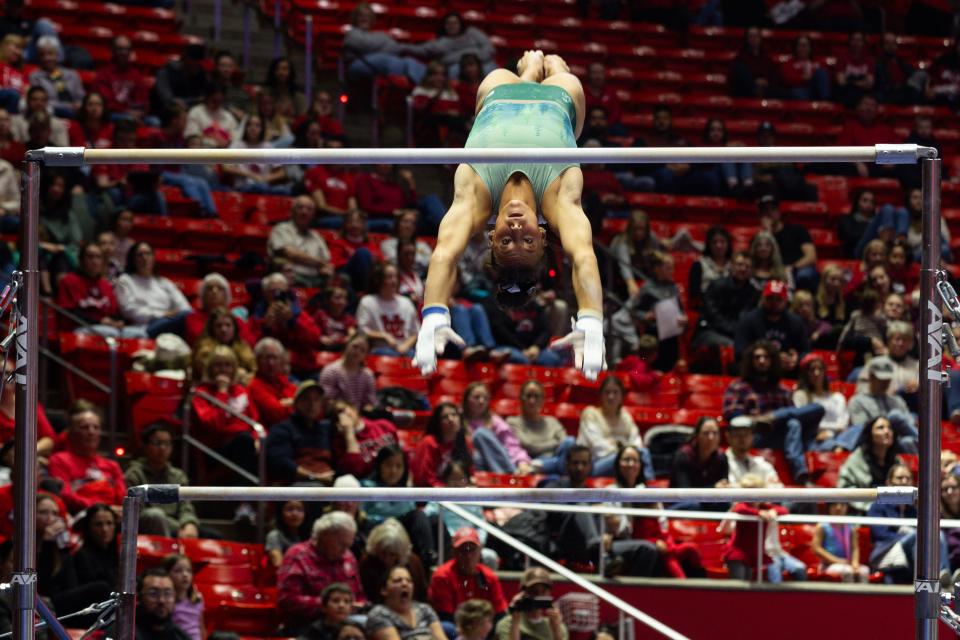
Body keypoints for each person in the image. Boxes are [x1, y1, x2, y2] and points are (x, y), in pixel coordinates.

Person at [413, 51, 604, 381]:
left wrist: (433, 312)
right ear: (544, 236)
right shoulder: (559, 198)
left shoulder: (474, 196)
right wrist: (591, 317)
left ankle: (529, 71)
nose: (516, 226)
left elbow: (444, 253)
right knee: (562, 73)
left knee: (510, 74)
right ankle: (548, 69)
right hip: (558, 100)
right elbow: (583, 255)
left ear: (490, 235)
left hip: (497, 96)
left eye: (505, 238)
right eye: (527, 238)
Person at [545, 446, 659, 577]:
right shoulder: (553, 488)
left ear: (591, 466)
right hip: (567, 543)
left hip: (602, 545)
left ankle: (630, 593)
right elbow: (551, 517)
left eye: (584, 463)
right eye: (575, 463)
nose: (579, 468)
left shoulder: (594, 493)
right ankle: (599, 551)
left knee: (647, 549)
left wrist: (608, 531)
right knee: (581, 506)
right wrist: (588, 509)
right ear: (566, 464)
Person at [721, 340, 824, 483]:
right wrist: (756, 421)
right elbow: (732, 416)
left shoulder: (781, 390)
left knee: (814, 410)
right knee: (792, 423)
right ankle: (801, 474)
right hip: (753, 435)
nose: (761, 361)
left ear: (773, 361)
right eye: (757, 357)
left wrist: (773, 418)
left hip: (780, 435)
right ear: (750, 361)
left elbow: (793, 414)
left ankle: (772, 416)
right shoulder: (739, 387)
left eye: (766, 357)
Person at [278, 511, 364, 634]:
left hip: (348, 622)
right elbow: (287, 600)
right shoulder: (297, 555)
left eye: (348, 545)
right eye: (341, 544)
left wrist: (358, 606)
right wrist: (327, 605)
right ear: (324, 535)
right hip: (308, 625)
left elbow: (359, 595)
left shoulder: (348, 557)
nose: (345, 550)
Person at [867, 464, 949, 583]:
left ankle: (942, 574)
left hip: (911, 550)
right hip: (888, 549)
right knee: (920, 535)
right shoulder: (878, 506)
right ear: (889, 482)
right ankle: (928, 578)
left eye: (908, 478)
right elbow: (879, 534)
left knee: (936, 534)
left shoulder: (914, 509)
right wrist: (908, 534)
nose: (905, 481)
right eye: (900, 478)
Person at [721, 473, 807, 583]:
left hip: (752, 554)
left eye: (756, 492)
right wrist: (759, 513)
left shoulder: (765, 508)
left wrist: (773, 511)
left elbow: (783, 510)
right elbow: (740, 509)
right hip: (738, 553)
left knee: (747, 584)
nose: (752, 497)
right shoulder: (743, 506)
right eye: (748, 493)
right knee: (739, 586)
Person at [190, 345, 261, 477]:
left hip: (245, 442)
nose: (223, 370)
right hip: (215, 449)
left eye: (227, 365)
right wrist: (221, 392)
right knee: (244, 441)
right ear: (210, 368)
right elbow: (213, 425)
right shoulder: (202, 393)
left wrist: (257, 439)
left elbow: (254, 421)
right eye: (218, 365)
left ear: (234, 368)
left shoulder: (240, 390)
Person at [47, 402, 126, 514]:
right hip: (82, 517)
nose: (91, 432)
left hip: (114, 518)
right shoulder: (59, 461)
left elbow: (122, 497)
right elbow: (66, 496)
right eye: (85, 427)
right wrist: (104, 510)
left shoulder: (112, 465)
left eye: (96, 427)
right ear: (71, 432)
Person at [124, 422, 200, 538]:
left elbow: (186, 507)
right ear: (145, 446)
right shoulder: (134, 474)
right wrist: (179, 526)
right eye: (157, 443)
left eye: (167, 443)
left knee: (213, 535)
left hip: (177, 526)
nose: (163, 448)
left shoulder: (178, 475)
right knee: (155, 515)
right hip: (147, 527)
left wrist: (189, 523)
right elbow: (137, 512)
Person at [57, 242, 143, 337]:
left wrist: (118, 322)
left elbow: (114, 312)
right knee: (111, 333)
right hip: (80, 327)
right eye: (90, 257)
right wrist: (99, 321)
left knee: (140, 334)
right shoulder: (69, 280)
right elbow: (69, 314)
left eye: (98, 257)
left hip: (106, 327)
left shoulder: (105, 284)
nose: (95, 261)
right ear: (81, 260)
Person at [576, 376, 653, 479]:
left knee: (643, 452)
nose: (611, 396)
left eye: (615, 392)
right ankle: (650, 489)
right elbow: (598, 447)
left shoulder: (625, 416)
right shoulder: (591, 414)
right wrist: (624, 453)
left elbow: (636, 441)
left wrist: (627, 453)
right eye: (607, 392)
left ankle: (649, 486)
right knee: (640, 454)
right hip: (596, 464)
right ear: (601, 395)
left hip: (623, 462)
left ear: (622, 396)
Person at [250, 272, 323, 377]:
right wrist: (266, 328)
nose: (277, 295)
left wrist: (292, 322)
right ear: (265, 294)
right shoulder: (257, 317)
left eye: (281, 291)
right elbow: (252, 347)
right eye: (273, 291)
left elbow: (315, 339)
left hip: (301, 368)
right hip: (270, 370)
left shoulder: (299, 314)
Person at [428, 527, 508, 623]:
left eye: (472, 550)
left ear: (479, 551)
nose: (468, 556)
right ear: (454, 552)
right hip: (456, 629)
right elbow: (445, 616)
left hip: (484, 628)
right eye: (463, 550)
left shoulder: (489, 577)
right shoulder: (442, 576)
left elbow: (499, 613)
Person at [841, 356, 918, 453]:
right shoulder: (857, 401)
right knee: (895, 416)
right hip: (873, 446)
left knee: (908, 441)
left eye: (887, 379)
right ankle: (926, 444)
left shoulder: (897, 401)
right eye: (881, 379)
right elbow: (862, 432)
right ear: (871, 377)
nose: (885, 383)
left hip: (896, 443)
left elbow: (909, 424)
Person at [115, 242, 192, 338]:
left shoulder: (164, 282)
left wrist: (172, 315)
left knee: (190, 316)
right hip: (144, 326)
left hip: (168, 322)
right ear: (133, 259)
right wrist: (161, 314)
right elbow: (128, 310)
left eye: (148, 254)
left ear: (153, 258)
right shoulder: (125, 280)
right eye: (140, 255)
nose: (144, 258)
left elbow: (185, 307)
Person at [733, 279, 810, 374]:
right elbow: (740, 352)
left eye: (779, 299)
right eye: (770, 298)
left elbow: (805, 350)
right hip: (756, 372)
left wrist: (796, 359)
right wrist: (772, 358)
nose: (774, 303)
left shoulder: (796, 322)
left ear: (786, 301)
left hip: (788, 372)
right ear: (762, 299)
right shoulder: (748, 321)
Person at [265, 381, 333, 484]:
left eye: (316, 399)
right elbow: (281, 464)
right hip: (296, 485)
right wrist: (315, 477)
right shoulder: (282, 430)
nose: (312, 404)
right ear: (296, 403)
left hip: (328, 482)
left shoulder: (326, 429)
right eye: (306, 399)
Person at [342, 3, 426, 84]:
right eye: (361, 16)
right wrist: (384, 42)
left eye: (368, 16)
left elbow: (394, 47)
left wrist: (382, 46)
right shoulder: (352, 33)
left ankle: (426, 83)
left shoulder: (378, 35)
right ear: (355, 18)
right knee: (386, 59)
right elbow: (367, 45)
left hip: (374, 63)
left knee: (408, 60)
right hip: (356, 66)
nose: (365, 19)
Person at [839, 416, 909, 514]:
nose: (887, 431)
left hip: (894, 514)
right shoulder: (856, 459)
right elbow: (845, 489)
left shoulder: (897, 461)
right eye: (881, 428)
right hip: (863, 515)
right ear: (870, 434)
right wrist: (871, 507)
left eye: (889, 428)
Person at [692, 250, 759, 352]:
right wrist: (738, 332)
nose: (743, 269)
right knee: (735, 347)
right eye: (739, 265)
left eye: (747, 266)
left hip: (738, 333)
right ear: (731, 266)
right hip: (711, 331)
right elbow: (714, 318)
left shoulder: (753, 292)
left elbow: (747, 317)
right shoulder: (716, 286)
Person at [506, 380, 575, 475]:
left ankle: (552, 466)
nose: (532, 401)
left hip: (548, 461)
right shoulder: (513, 422)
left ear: (543, 400)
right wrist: (555, 443)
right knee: (563, 463)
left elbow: (564, 441)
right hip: (531, 460)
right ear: (521, 399)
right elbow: (530, 446)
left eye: (536, 396)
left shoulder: (552, 421)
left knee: (570, 441)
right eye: (528, 396)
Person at [462, 382, 533, 474]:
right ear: (466, 399)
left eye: (485, 398)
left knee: (480, 433)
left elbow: (512, 446)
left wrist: (522, 462)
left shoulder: (495, 421)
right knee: (477, 456)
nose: (481, 401)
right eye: (476, 397)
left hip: (500, 465)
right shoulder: (458, 420)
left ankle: (507, 476)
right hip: (473, 466)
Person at [360, 519, 431, 604]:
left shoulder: (413, 563)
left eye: (392, 555)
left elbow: (422, 594)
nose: (386, 559)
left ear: (400, 553)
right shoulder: (367, 563)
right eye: (383, 553)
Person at [366, 564, 445, 640]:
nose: (405, 584)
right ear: (384, 590)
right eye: (397, 581)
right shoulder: (379, 614)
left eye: (409, 581)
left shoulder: (425, 609)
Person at [357, 262, 419, 357]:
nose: (394, 281)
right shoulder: (368, 301)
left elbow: (415, 332)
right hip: (381, 350)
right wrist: (384, 336)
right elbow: (362, 330)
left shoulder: (406, 302)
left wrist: (405, 346)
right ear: (379, 280)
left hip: (406, 350)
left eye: (395, 277)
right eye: (389, 277)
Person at [757, 195, 818, 292]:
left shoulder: (797, 229)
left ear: (779, 212)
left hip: (797, 269)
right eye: (764, 211)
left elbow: (811, 256)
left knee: (805, 275)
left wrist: (792, 268)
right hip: (775, 271)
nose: (769, 213)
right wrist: (768, 233)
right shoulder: (761, 238)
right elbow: (762, 260)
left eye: (772, 209)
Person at [669, 417, 729, 510]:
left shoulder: (722, 458)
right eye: (706, 433)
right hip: (681, 504)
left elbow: (723, 486)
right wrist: (713, 488)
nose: (711, 438)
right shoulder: (683, 456)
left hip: (709, 503)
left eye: (715, 433)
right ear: (697, 436)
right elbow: (685, 493)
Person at [410, 403, 474, 487]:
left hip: (457, 492)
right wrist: (446, 493)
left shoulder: (465, 442)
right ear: (438, 423)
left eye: (454, 415)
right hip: (432, 494)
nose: (451, 419)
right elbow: (425, 478)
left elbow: (469, 473)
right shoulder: (429, 443)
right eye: (445, 417)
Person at [793, 353, 850, 445]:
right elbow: (804, 423)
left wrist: (830, 433)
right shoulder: (800, 395)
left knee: (858, 429)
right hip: (815, 438)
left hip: (838, 436)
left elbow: (842, 424)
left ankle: (840, 446)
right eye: (812, 370)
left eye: (820, 369)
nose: (817, 373)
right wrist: (833, 430)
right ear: (805, 374)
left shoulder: (838, 397)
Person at [495, 568, 567, 640]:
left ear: (549, 593)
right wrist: (515, 622)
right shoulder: (507, 624)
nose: (539, 595)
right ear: (522, 593)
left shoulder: (557, 626)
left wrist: (556, 630)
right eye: (533, 591)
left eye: (543, 591)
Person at [93, 35, 149, 118]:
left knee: (154, 121)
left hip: (134, 114)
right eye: (120, 49)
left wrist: (139, 112)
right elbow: (106, 103)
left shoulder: (136, 75)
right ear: (112, 51)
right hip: (112, 115)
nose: (124, 52)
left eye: (127, 49)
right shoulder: (103, 74)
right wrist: (127, 111)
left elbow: (142, 100)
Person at [812, 502, 868, 583]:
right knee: (847, 571)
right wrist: (836, 560)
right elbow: (816, 548)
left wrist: (855, 563)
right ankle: (847, 596)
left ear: (847, 507)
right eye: (834, 505)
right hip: (828, 565)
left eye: (842, 505)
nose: (838, 508)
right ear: (829, 507)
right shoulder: (822, 526)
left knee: (864, 571)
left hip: (847, 563)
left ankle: (863, 596)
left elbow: (855, 548)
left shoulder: (851, 527)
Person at [319, 332, 377, 411]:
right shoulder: (330, 371)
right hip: (335, 415)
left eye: (362, 350)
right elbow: (327, 402)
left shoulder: (368, 375)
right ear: (347, 344)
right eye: (355, 347)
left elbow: (370, 403)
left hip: (360, 417)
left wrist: (368, 410)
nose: (357, 352)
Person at [246, 337, 296, 428]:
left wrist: (285, 404)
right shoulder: (254, 386)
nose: (271, 363)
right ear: (257, 361)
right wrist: (295, 403)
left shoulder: (284, 381)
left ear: (281, 360)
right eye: (266, 358)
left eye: (275, 358)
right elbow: (276, 414)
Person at [28, 36, 84, 117]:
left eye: (50, 54)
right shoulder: (35, 76)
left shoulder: (72, 74)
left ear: (57, 55)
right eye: (42, 55)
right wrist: (68, 106)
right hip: (50, 113)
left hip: (75, 111)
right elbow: (40, 101)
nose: (46, 58)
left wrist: (79, 104)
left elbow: (81, 97)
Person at [72, 503, 120, 588]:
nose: (104, 529)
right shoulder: (81, 556)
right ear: (89, 527)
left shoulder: (117, 553)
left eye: (109, 523)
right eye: (98, 524)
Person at [135, 567, 191, 640]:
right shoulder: (127, 633)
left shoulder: (180, 636)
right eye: (153, 593)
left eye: (167, 593)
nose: (162, 600)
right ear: (139, 598)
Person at [725, 420, 782, 488]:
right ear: (728, 437)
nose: (742, 438)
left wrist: (760, 484)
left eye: (746, 434)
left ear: (752, 437)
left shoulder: (761, 463)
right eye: (737, 434)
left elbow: (778, 487)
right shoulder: (720, 462)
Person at [687, 226, 732, 310]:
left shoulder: (735, 264)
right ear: (708, 245)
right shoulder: (698, 265)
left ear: (728, 244)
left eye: (722, 242)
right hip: (707, 308)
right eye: (714, 242)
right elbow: (694, 295)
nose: (719, 245)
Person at [163, 554, 205, 640]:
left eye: (189, 571)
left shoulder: (197, 598)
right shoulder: (166, 601)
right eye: (178, 571)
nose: (185, 575)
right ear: (167, 574)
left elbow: (201, 627)